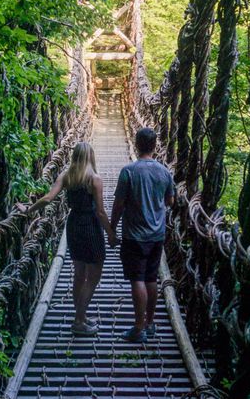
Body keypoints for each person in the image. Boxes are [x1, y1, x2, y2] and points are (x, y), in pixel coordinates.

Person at [17, 142, 117, 335]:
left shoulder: (67, 176)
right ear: (91, 157)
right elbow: (101, 212)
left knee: (79, 274)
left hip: (73, 225)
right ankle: (79, 322)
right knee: (94, 275)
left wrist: (28, 210)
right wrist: (111, 235)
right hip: (90, 225)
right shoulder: (94, 179)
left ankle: (81, 315)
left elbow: (47, 198)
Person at [110, 127, 174, 343]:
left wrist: (112, 228)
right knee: (151, 278)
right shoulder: (164, 172)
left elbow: (118, 204)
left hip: (134, 235)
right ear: (155, 146)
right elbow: (170, 201)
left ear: (137, 145)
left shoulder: (129, 171)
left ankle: (138, 329)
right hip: (157, 235)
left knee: (137, 279)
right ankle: (150, 323)